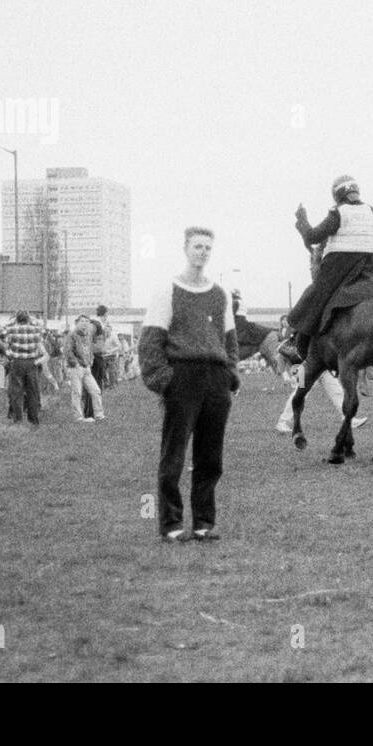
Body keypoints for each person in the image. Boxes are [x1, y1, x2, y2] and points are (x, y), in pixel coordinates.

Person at [138, 226, 240, 543]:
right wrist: (164, 381)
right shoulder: (167, 291)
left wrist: (230, 376)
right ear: (186, 248)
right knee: (174, 455)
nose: (203, 252)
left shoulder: (219, 294)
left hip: (215, 379)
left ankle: (203, 523)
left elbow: (231, 341)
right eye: (197, 246)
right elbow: (150, 343)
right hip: (182, 378)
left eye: (208, 247)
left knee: (210, 457)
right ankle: (170, 524)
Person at [278, 175, 373, 364]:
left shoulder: (338, 212)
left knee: (314, 295)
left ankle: (297, 344)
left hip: (341, 265)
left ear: (337, 194)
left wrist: (302, 219)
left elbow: (312, 237)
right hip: (371, 264)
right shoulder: (371, 212)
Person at [3, 310, 46, 426]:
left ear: (17, 319)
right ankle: (34, 419)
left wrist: (10, 356)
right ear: (28, 319)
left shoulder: (10, 329)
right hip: (32, 363)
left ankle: (18, 419)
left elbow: (6, 346)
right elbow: (40, 341)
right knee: (33, 391)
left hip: (17, 362)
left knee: (16, 392)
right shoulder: (36, 328)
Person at [65, 315, 104, 422]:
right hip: (75, 368)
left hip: (86, 368)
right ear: (77, 323)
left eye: (86, 321)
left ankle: (99, 415)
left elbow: (90, 349)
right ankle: (78, 417)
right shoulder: (72, 334)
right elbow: (68, 351)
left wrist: (90, 361)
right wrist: (75, 363)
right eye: (82, 321)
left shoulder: (89, 334)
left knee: (96, 390)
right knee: (77, 392)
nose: (84, 323)